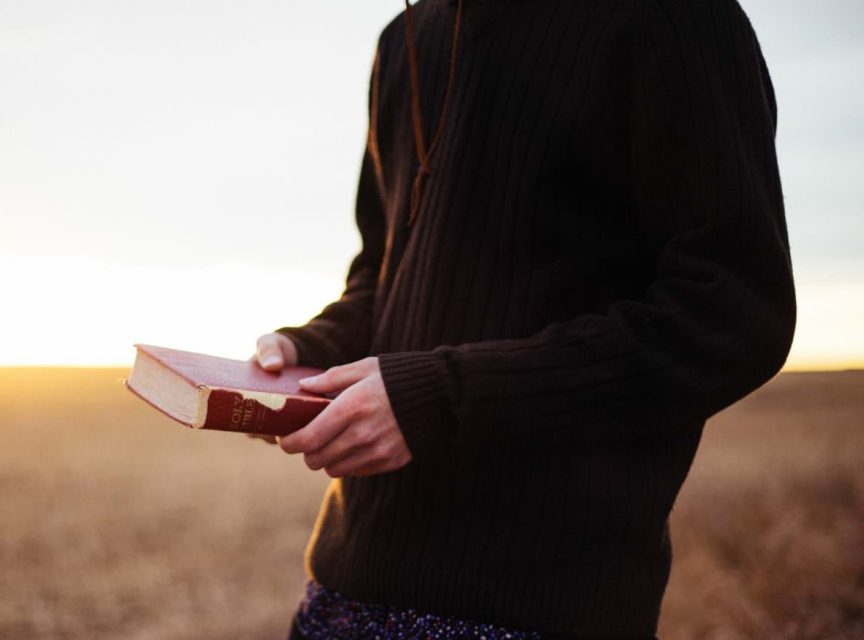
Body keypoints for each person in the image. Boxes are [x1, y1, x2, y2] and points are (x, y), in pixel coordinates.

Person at [253, 0, 796, 637]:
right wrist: (311, 349)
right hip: (343, 597)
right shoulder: (405, 38)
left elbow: (732, 314)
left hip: (538, 610)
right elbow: (385, 272)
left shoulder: (673, 19)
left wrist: (444, 399)